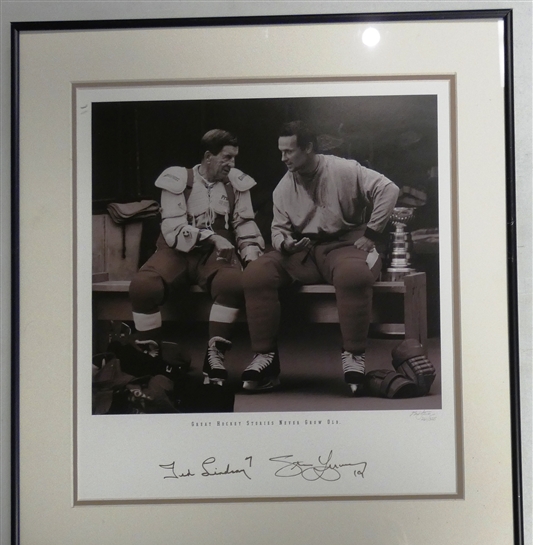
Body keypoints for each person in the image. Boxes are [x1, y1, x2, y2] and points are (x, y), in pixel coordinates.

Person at [241, 120, 399, 394]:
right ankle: (265, 357)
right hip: (305, 250)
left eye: (289, 151)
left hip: (346, 245)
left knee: (353, 275)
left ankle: (353, 355)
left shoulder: (344, 169)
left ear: (308, 147)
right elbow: (278, 231)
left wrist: (372, 234)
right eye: (281, 151)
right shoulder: (283, 188)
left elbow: (389, 189)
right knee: (256, 273)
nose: (283, 158)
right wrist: (286, 244)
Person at [129, 129, 265, 384]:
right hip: (176, 250)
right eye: (226, 157)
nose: (232, 164)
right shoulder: (179, 179)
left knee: (233, 284)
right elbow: (172, 229)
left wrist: (253, 260)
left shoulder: (236, 183)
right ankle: (152, 357)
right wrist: (212, 237)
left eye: (234, 158)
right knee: (142, 286)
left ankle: (214, 356)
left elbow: (245, 225)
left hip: (216, 253)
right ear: (208, 156)